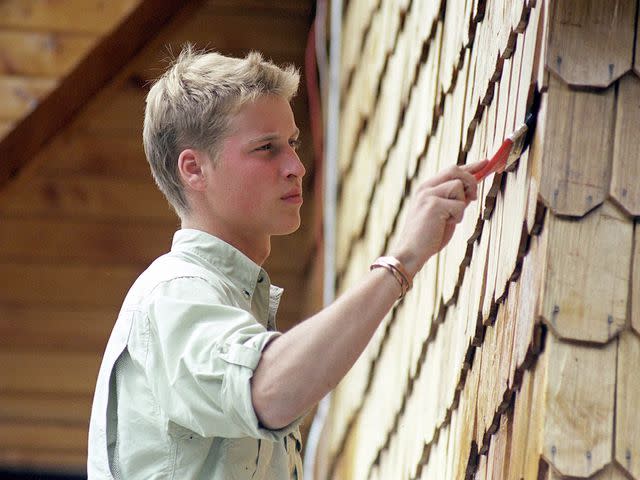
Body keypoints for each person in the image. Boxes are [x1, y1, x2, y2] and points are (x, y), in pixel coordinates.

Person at [87, 46, 487, 479]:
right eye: (266, 148)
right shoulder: (173, 295)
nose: (296, 165)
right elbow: (268, 391)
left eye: (292, 144)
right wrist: (402, 260)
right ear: (194, 169)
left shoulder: (226, 300)